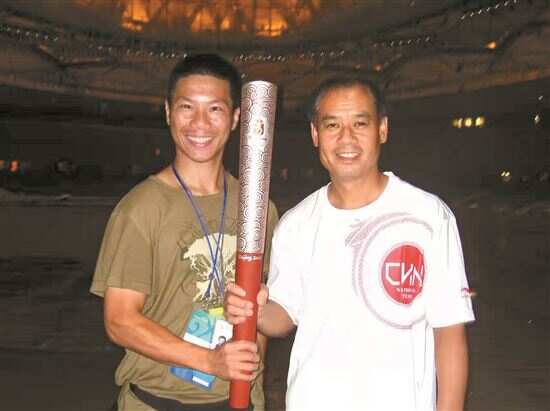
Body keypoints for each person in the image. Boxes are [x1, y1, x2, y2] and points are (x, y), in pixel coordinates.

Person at [225, 77, 475, 411]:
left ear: (382, 129)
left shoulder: (429, 215)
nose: (346, 138)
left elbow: (450, 334)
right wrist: (253, 309)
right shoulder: (296, 224)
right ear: (315, 134)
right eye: (332, 125)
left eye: (360, 123)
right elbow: (283, 317)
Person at [91, 53, 278, 411]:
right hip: (156, 401)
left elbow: (259, 315)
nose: (199, 123)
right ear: (168, 112)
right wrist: (208, 361)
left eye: (215, 109)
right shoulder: (140, 209)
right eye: (187, 107)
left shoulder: (257, 208)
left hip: (236, 402)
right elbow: (119, 321)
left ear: (236, 117)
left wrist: (252, 393)